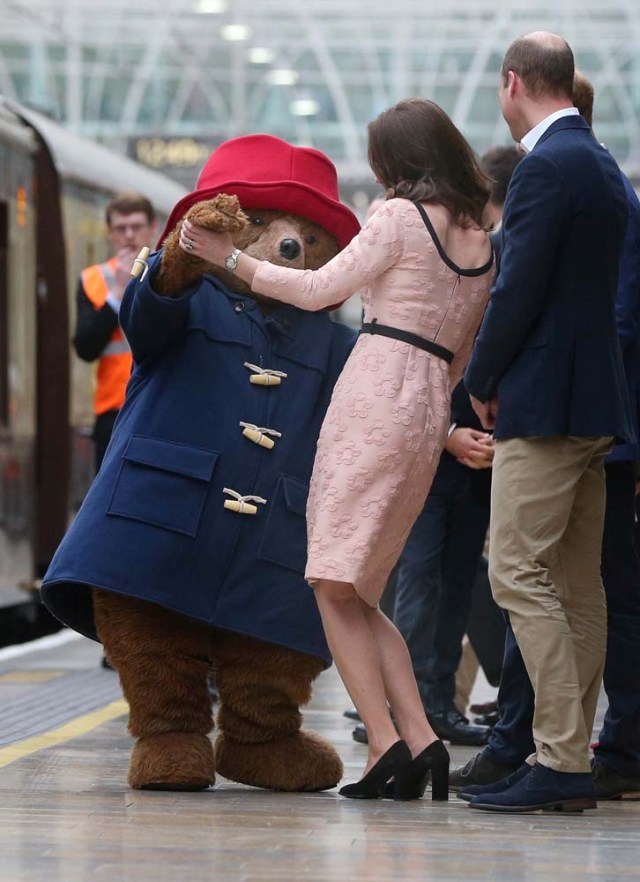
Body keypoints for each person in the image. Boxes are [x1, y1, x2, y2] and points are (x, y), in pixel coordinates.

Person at [180, 97, 495, 800]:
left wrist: (230, 258)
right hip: (426, 400)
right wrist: (433, 411)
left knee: (329, 580)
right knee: (360, 589)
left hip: (376, 388)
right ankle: (424, 741)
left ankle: (386, 745)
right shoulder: (484, 240)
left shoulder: (397, 218)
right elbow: (468, 347)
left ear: (397, 162)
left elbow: (322, 288)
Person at [452, 69, 640, 804]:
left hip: (544, 404)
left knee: (515, 572)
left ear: (513, 83)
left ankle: (559, 757)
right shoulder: (601, 166)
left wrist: (482, 376)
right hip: (597, 405)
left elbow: (518, 284)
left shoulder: (544, 168)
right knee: (576, 583)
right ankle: (568, 757)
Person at [73, 190, 157, 472]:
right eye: (121, 229)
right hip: (113, 411)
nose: (129, 235)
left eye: (136, 227)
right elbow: (85, 347)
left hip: (160, 407)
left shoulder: (170, 275)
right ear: (110, 233)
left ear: (152, 228)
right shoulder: (94, 280)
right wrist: (118, 293)